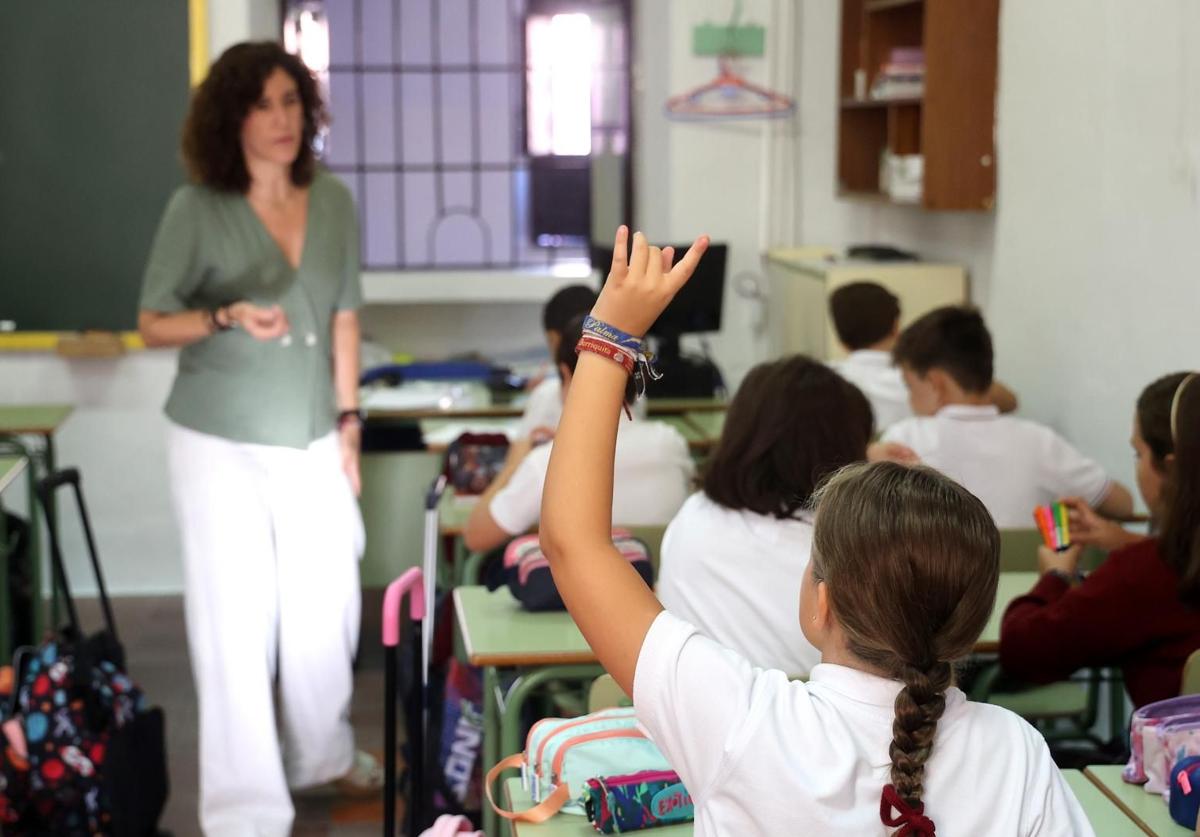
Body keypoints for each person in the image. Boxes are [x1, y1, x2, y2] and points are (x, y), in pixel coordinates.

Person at [538, 228, 1091, 835]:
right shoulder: (1016, 751)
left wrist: (609, 335)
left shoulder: (744, 724)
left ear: (821, 601)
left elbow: (574, 543)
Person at [138, 42, 377, 835]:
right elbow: (150, 323)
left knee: (327, 608)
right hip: (217, 438)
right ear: (231, 117)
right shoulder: (196, 208)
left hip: (311, 433)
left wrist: (349, 424)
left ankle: (321, 756)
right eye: (263, 104)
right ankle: (244, 809)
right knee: (234, 620)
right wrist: (224, 315)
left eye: (291, 103)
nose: (282, 120)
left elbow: (345, 316)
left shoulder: (334, 200)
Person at [656, 356, 872, 676]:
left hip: (698, 718)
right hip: (834, 720)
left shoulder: (693, 517)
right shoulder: (854, 549)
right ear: (843, 453)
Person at [1000, 372, 1200, 707]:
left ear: (1170, 468)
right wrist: (1128, 542)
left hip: (1179, 759)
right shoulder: (1150, 566)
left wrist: (1054, 577)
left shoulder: (1142, 575)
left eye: (1138, 454)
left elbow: (1024, 651)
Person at [879, 306, 1133, 527]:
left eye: (910, 386)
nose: (910, 399)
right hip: (1030, 579)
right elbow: (1122, 504)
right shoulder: (1038, 441)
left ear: (936, 384)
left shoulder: (904, 438)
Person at [463, 313, 692, 553]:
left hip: (572, 591)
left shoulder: (546, 463)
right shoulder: (671, 444)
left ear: (566, 373)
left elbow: (476, 537)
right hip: (649, 586)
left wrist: (513, 464)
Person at [828, 282, 1017, 432]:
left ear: (841, 342)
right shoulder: (917, 380)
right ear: (896, 327)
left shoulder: (828, 379)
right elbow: (1009, 401)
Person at [516, 284, 598, 439]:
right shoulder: (629, 393)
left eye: (551, 341)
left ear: (556, 339)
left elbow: (517, 461)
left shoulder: (547, 396)